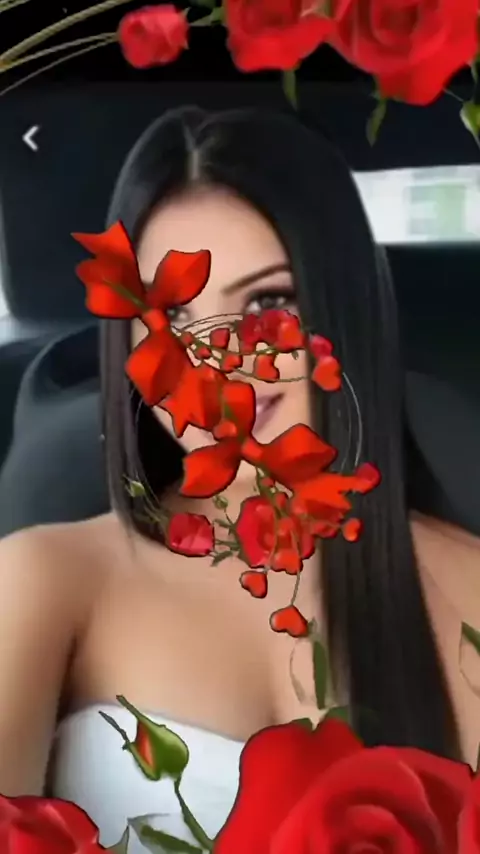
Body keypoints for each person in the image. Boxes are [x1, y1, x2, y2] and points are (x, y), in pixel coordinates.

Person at [0, 105, 479, 849]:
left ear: (341, 307)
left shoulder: (468, 587)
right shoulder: (44, 582)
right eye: (171, 318)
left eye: (266, 303)